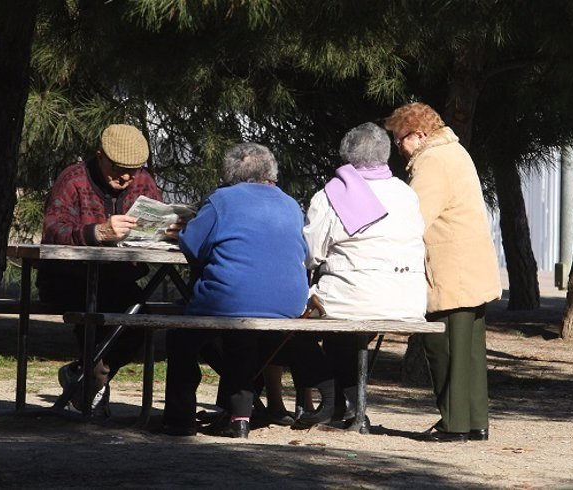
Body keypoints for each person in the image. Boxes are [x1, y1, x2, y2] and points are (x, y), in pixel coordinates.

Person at [161, 142, 317, 438]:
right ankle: (239, 418)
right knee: (241, 335)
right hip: (288, 305)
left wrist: (180, 231)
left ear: (229, 173)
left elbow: (194, 248)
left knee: (181, 336)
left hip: (228, 300)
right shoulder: (290, 203)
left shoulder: (223, 199)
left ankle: (179, 420)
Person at [384, 102, 501, 442]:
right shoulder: (455, 151)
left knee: (444, 347)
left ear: (418, 134)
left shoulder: (432, 162)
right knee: (470, 353)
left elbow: (415, 217)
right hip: (470, 268)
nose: (399, 147)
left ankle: (454, 424)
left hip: (451, 271)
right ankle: (474, 421)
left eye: (399, 139)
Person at [303, 122, 427, 424]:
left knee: (307, 323)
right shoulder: (406, 193)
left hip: (351, 296)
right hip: (407, 298)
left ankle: (341, 403)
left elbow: (309, 254)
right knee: (341, 335)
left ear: (346, 155)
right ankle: (350, 408)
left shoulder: (331, 195)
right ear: (385, 154)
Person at [36, 124, 162, 417]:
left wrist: (169, 231)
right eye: (118, 168)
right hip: (68, 279)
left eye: (133, 170)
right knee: (96, 315)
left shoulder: (143, 181)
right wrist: (96, 233)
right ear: (99, 156)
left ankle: (83, 376)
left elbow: (155, 220)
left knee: (140, 320)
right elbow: (53, 229)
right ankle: (89, 384)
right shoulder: (73, 179)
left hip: (119, 279)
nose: (126, 177)